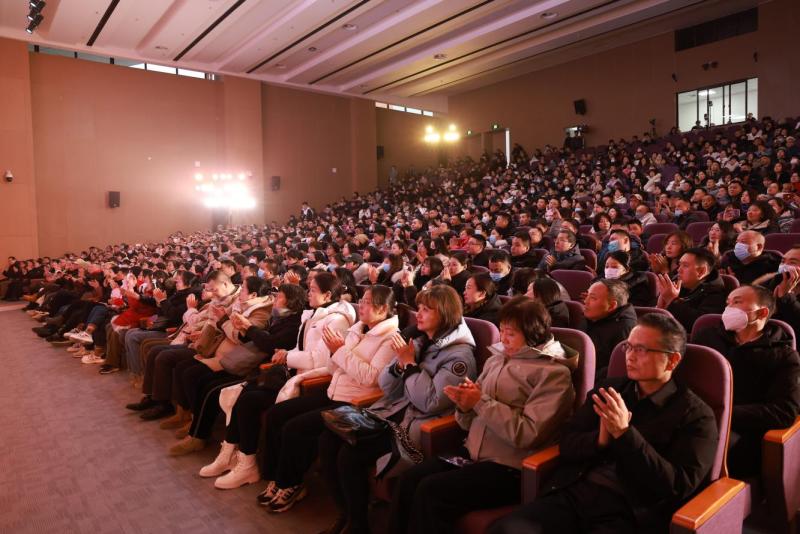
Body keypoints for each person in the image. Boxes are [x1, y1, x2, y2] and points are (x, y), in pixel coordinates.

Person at [488, 314, 718, 534]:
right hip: (575, 490)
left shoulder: (696, 416)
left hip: (629, 511)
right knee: (505, 529)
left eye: (641, 350)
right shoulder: (609, 390)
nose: (630, 356)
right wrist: (599, 441)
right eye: (628, 347)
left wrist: (624, 433)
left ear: (672, 360)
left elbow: (676, 486)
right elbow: (567, 443)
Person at [390, 297, 578, 534]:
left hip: (511, 466)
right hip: (473, 452)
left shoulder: (553, 374)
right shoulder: (497, 359)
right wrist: (464, 405)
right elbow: (468, 422)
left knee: (431, 491)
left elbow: (528, 434)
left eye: (510, 334)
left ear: (533, 335)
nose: (503, 339)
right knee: (409, 480)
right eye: (501, 331)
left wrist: (479, 402)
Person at [317, 285, 477, 534]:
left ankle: (358, 525)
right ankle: (347, 513)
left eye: (426, 310)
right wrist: (400, 364)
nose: (418, 314)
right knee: (328, 440)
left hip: (416, 427)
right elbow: (387, 386)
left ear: (444, 314)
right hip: (392, 415)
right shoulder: (420, 340)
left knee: (350, 455)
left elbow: (430, 402)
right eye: (419, 308)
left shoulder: (459, 356)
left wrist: (410, 364)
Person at [239, 286, 400, 512]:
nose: (361, 306)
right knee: (277, 413)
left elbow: (370, 378)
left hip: (354, 402)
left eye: (366, 302)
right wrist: (334, 352)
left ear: (382, 309)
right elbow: (334, 368)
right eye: (362, 301)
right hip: (333, 391)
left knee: (295, 428)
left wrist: (340, 351)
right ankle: (275, 477)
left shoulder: (391, 338)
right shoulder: (357, 329)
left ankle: (291, 483)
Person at [692, 285, 800, 477]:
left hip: (742, 430)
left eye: (737, 302)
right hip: (695, 419)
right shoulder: (706, 337)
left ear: (762, 312)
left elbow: (783, 411)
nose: (728, 309)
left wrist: (723, 414)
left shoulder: (783, 355)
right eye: (728, 303)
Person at [656, 247, 729, 333]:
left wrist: (672, 300)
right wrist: (661, 307)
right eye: (679, 264)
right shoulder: (681, 283)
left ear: (701, 271)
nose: (679, 270)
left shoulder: (716, 294)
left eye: (685, 265)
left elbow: (699, 325)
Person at [581, 279, 637, 378]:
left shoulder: (625, 328)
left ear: (611, 306)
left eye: (593, 298)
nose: (586, 302)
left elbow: (616, 369)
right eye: (587, 295)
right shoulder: (590, 316)